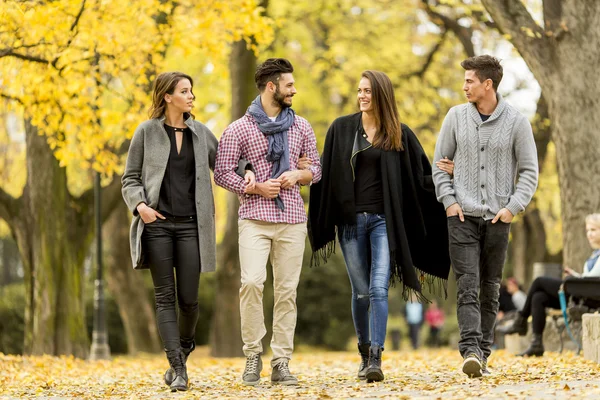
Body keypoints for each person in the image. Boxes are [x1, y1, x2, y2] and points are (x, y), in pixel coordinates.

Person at [307, 70, 451, 383]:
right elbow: (325, 174)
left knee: (378, 288)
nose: (362, 96)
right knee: (361, 292)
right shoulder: (342, 130)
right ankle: (362, 352)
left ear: (381, 94)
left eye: (368, 91)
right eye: (359, 90)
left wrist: (447, 175)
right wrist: (304, 173)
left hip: (384, 223)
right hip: (350, 223)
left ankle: (376, 357)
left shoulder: (399, 134)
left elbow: (420, 178)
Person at [121, 72, 253, 392]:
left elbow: (226, 162)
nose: (191, 96)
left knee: (190, 301)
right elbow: (130, 179)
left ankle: (184, 347)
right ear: (168, 97)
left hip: (192, 226)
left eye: (191, 91)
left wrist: (246, 170)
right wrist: (140, 207)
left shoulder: (200, 133)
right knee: (165, 297)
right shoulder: (146, 132)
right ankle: (178, 368)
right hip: (158, 226)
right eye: (185, 91)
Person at [213, 58, 322, 386]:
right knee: (252, 283)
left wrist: (298, 174)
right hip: (254, 220)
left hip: (291, 219)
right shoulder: (238, 129)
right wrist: (256, 186)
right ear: (271, 87)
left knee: (287, 291)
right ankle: (251, 356)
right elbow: (221, 172)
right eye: (289, 85)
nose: (294, 90)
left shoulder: (301, 126)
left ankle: (282, 361)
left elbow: (316, 168)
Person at [433, 55, 539, 377]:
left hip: (497, 219)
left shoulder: (517, 122)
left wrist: (511, 209)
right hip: (461, 216)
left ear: (487, 84)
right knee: (467, 284)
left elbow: (529, 172)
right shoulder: (454, 117)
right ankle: (470, 350)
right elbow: (439, 165)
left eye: (469, 81)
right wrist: (450, 202)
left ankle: (483, 354)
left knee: (490, 287)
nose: (464, 86)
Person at [499, 213, 600, 356]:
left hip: (590, 298)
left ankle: (520, 320)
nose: (589, 234)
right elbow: (589, 278)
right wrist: (575, 276)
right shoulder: (594, 255)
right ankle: (536, 344)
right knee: (539, 297)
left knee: (539, 281)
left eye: (593, 230)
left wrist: (576, 280)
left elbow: (595, 282)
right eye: (588, 230)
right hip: (582, 293)